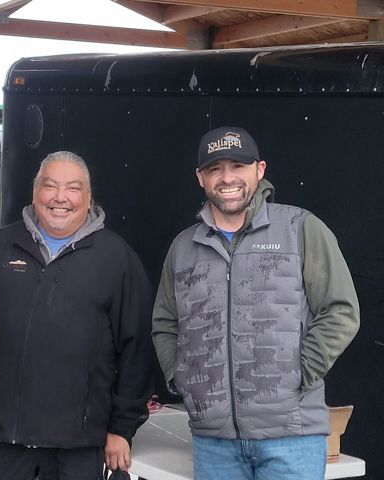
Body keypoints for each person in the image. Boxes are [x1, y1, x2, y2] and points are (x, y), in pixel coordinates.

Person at [152, 126, 360, 480]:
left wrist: (300, 371)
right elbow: (165, 323)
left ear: (260, 170)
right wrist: (183, 378)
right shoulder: (183, 247)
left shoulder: (300, 228)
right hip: (214, 443)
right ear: (201, 178)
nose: (227, 178)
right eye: (215, 169)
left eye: (238, 166)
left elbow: (341, 310)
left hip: (291, 439)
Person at [0, 151, 153, 480]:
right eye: (50, 186)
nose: (60, 198)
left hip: (77, 448)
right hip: (2, 441)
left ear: (88, 198)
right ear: (35, 192)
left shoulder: (117, 260)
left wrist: (122, 428)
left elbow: (136, 351)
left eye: (73, 188)